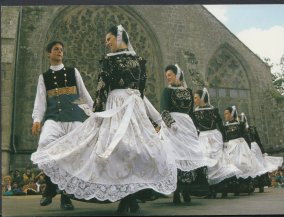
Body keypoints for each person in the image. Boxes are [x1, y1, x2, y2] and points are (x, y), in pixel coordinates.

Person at [31, 25, 177, 214]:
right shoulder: (107, 61)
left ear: (118, 37)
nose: (106, 43)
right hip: (115, 107)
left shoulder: (140, 61)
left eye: (109, 39)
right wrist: (97, 114)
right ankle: (125, 198)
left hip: (133, 109)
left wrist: (153, 117)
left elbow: (140, 92)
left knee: (137, 150)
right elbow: (102, 90)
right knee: (119, 149)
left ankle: (131, 196)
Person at [31, 41, 94, 210]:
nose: (59, 52)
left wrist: (94, 115)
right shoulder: (43, 77)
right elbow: (40, 101)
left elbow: (84, 96)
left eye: (61, 50)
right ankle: (51, 186)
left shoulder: (73, 72)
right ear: (48, 54)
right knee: (45, 144)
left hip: (74, 118)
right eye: (56, 49)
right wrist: (37, 120)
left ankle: (65, 196)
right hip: (54, 119)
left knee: (72, 155)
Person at [159, 64, 217, 204]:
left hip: (187, 125)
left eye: (170, 75)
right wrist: (171, 123)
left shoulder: (188, 91)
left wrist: (194, 128)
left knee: (190, 155)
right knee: (175, 156)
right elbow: (164, 110)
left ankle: (186, 190)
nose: (168, 78)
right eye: (167, 76)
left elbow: (191, 112)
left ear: (177, 75)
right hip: (173, 126)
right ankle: (176, 192)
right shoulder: (167, 91)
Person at [193, 88, 241, 198]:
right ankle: (211, 190)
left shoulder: (213, 110)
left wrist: (225, 139)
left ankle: (223, 188)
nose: (194, 100)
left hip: (214, 136)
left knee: (219, 162)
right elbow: (194, 127)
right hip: (203, 137)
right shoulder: (194, 112)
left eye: (196, 97)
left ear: (202, 98)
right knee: (207, 162)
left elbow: (220, 125)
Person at [223, 106, 266, 195]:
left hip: (240, 148)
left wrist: (248, 150)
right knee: (232, 166)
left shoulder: (240, 124)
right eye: (225, 114)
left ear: (232, 114)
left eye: (227, 113)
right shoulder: (225, 125)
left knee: (242, 164)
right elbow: (225, 138)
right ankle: (236, 187)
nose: (225, 115)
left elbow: (246, 137)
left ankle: (247, 185)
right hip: (230, 148)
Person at [240, 112, 283, 192]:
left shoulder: (252, 129)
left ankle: (261, 184)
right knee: (252, 165)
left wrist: (262, 151)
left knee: (259, 165)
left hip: (255, 148)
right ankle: (252, 184)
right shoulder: (241, 130)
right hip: (247, 147)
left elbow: (258, 140)